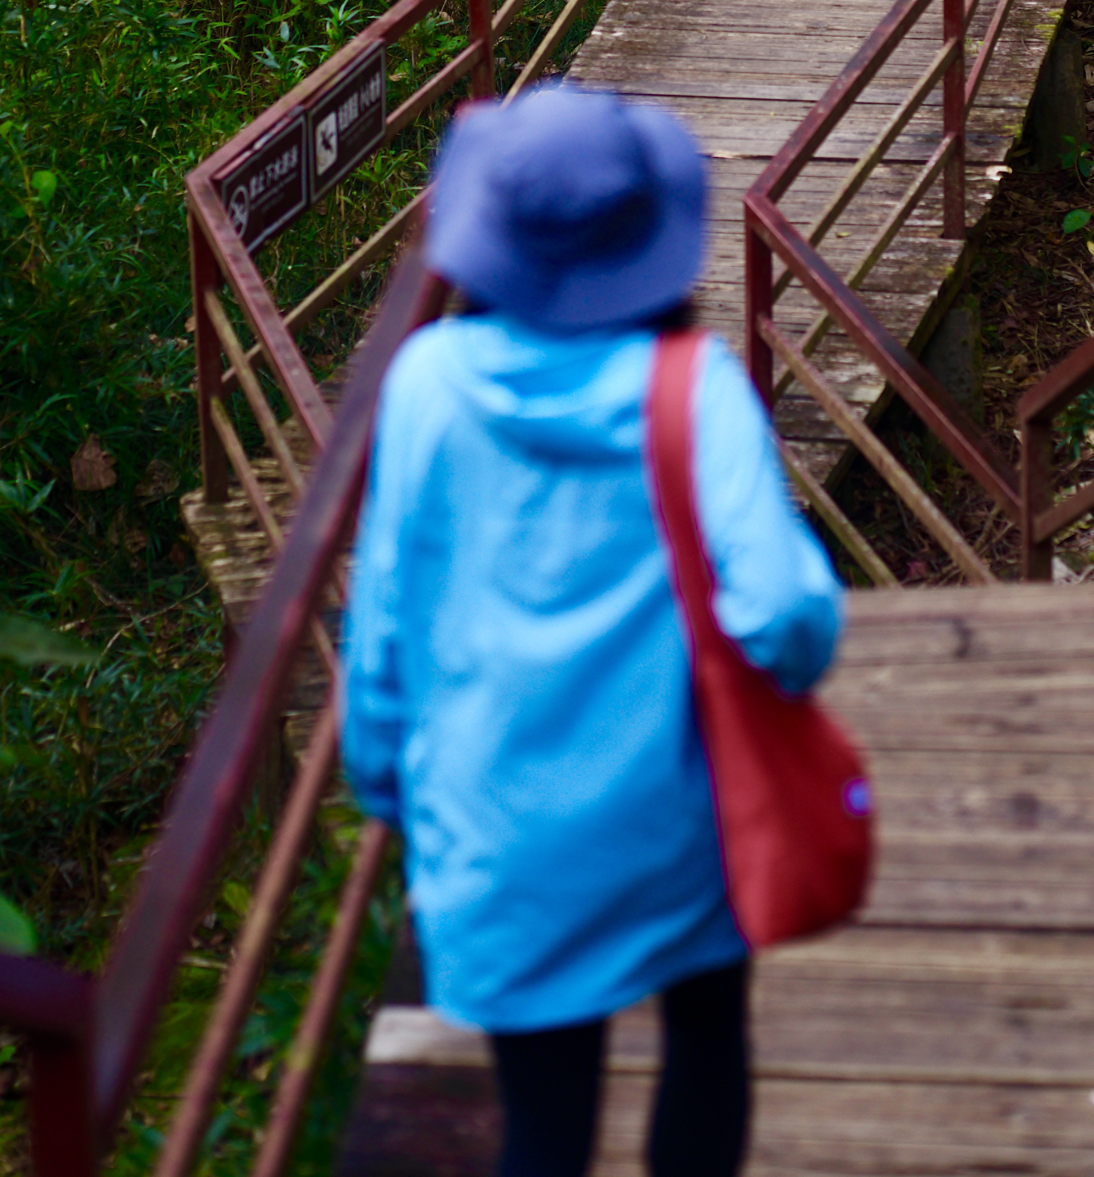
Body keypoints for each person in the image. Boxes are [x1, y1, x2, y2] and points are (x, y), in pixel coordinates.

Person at [341, 81, 843, 1177]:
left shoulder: (425, 382)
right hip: (676, 812)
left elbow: (384, 608)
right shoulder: (690, 383)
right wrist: (791, 673)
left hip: (498, 823)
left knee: (541, 1118)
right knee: (708, 1042)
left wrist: (383, 774)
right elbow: (787, 607)